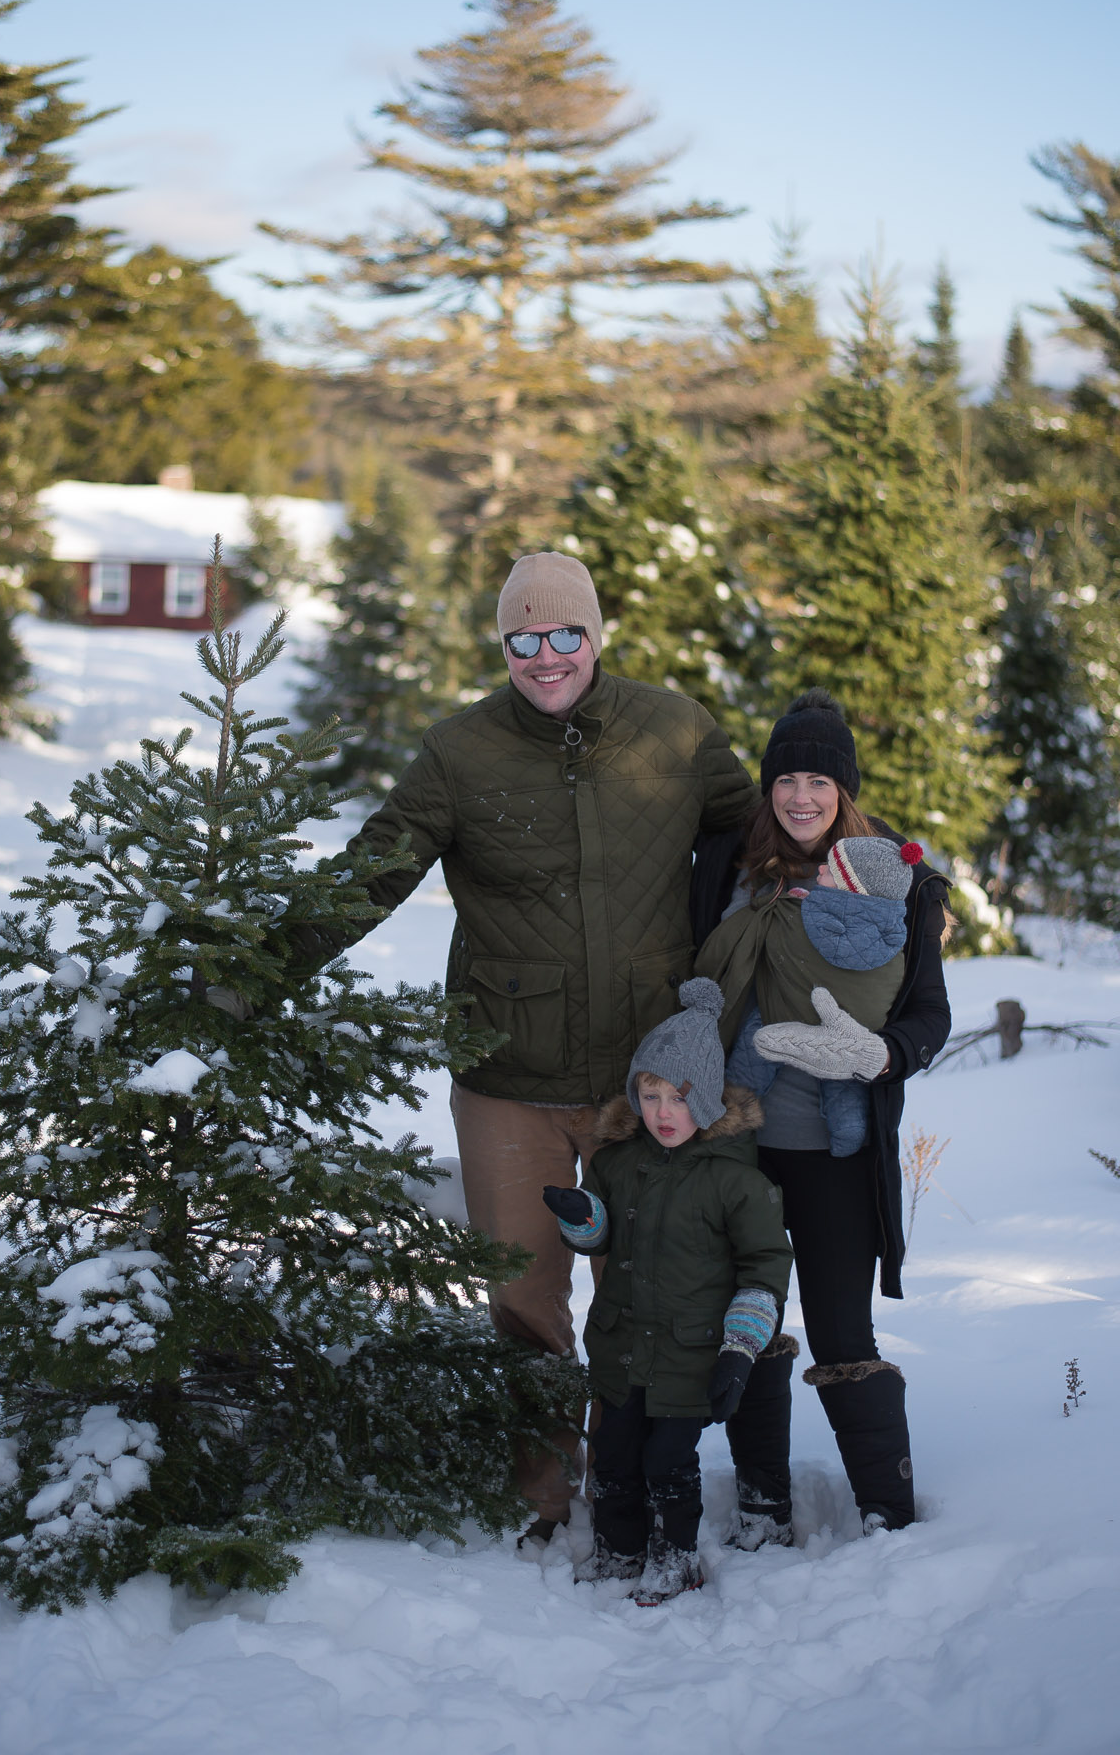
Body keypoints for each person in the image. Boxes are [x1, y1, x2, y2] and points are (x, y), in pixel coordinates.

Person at [321, 551, 760, 1539]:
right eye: (525, 637)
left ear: (596, 635)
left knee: (645, 1293)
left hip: (642, 1078)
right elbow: (368, 876)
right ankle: (541, 1499)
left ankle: (634, 1490)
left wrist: (880, 884)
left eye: (566, 633)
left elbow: (766, 834)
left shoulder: (675, 728)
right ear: (504, 644)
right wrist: (246, 969)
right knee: (526, 1300)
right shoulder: (459, 752)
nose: (547, 655)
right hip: (506, 1078)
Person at [689, 689, 952, 1547]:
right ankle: (761, 1498)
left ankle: (888, 1513)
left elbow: (926, 1016)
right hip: (736, 1143)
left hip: (836, 1150)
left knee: (842, 1329)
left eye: (819, 781)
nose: (800, 796)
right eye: (785, 779)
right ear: (766, 788)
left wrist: (878, 1057)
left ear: (844, 790)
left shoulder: (895, 882)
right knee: (746, 1314)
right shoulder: (726, 867)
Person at [542, 979, 793, 1602]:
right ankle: (619, 1549)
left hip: (692, 1354)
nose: (662, 1112)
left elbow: (765, 1266)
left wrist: (740, 1350)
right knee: (617, 1455)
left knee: (668, 1465)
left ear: (704, 1099)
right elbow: (600, 1238)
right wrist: (581, 1215)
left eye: (678, 1098)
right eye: (650, 1095)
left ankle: (675, 1558)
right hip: (624, 1349)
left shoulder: (734, 1180)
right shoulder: (617, 1162)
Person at [699, 831, 924, 1158]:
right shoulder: (893, 927)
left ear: (852, 888)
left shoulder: (816, 912)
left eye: (830, 872)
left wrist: (795, 903)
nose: (820, 872)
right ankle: (848, 1130)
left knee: (758, 1041)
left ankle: (730, 1111)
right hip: (852, 1030)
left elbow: (802, 929)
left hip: (794, 1011)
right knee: (842, 1079)